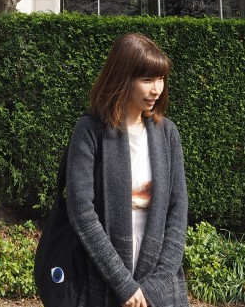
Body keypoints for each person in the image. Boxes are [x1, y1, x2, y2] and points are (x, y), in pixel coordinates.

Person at [66, 32, 189, 307]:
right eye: (147, 80)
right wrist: (122, 283)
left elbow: (178, 208)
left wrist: (155, 285)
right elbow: (81, 209)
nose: (156, 89)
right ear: (123, 78)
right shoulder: (90, 131)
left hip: (158, 271)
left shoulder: (167, 133)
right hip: (102, 273)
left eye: (160, 79)